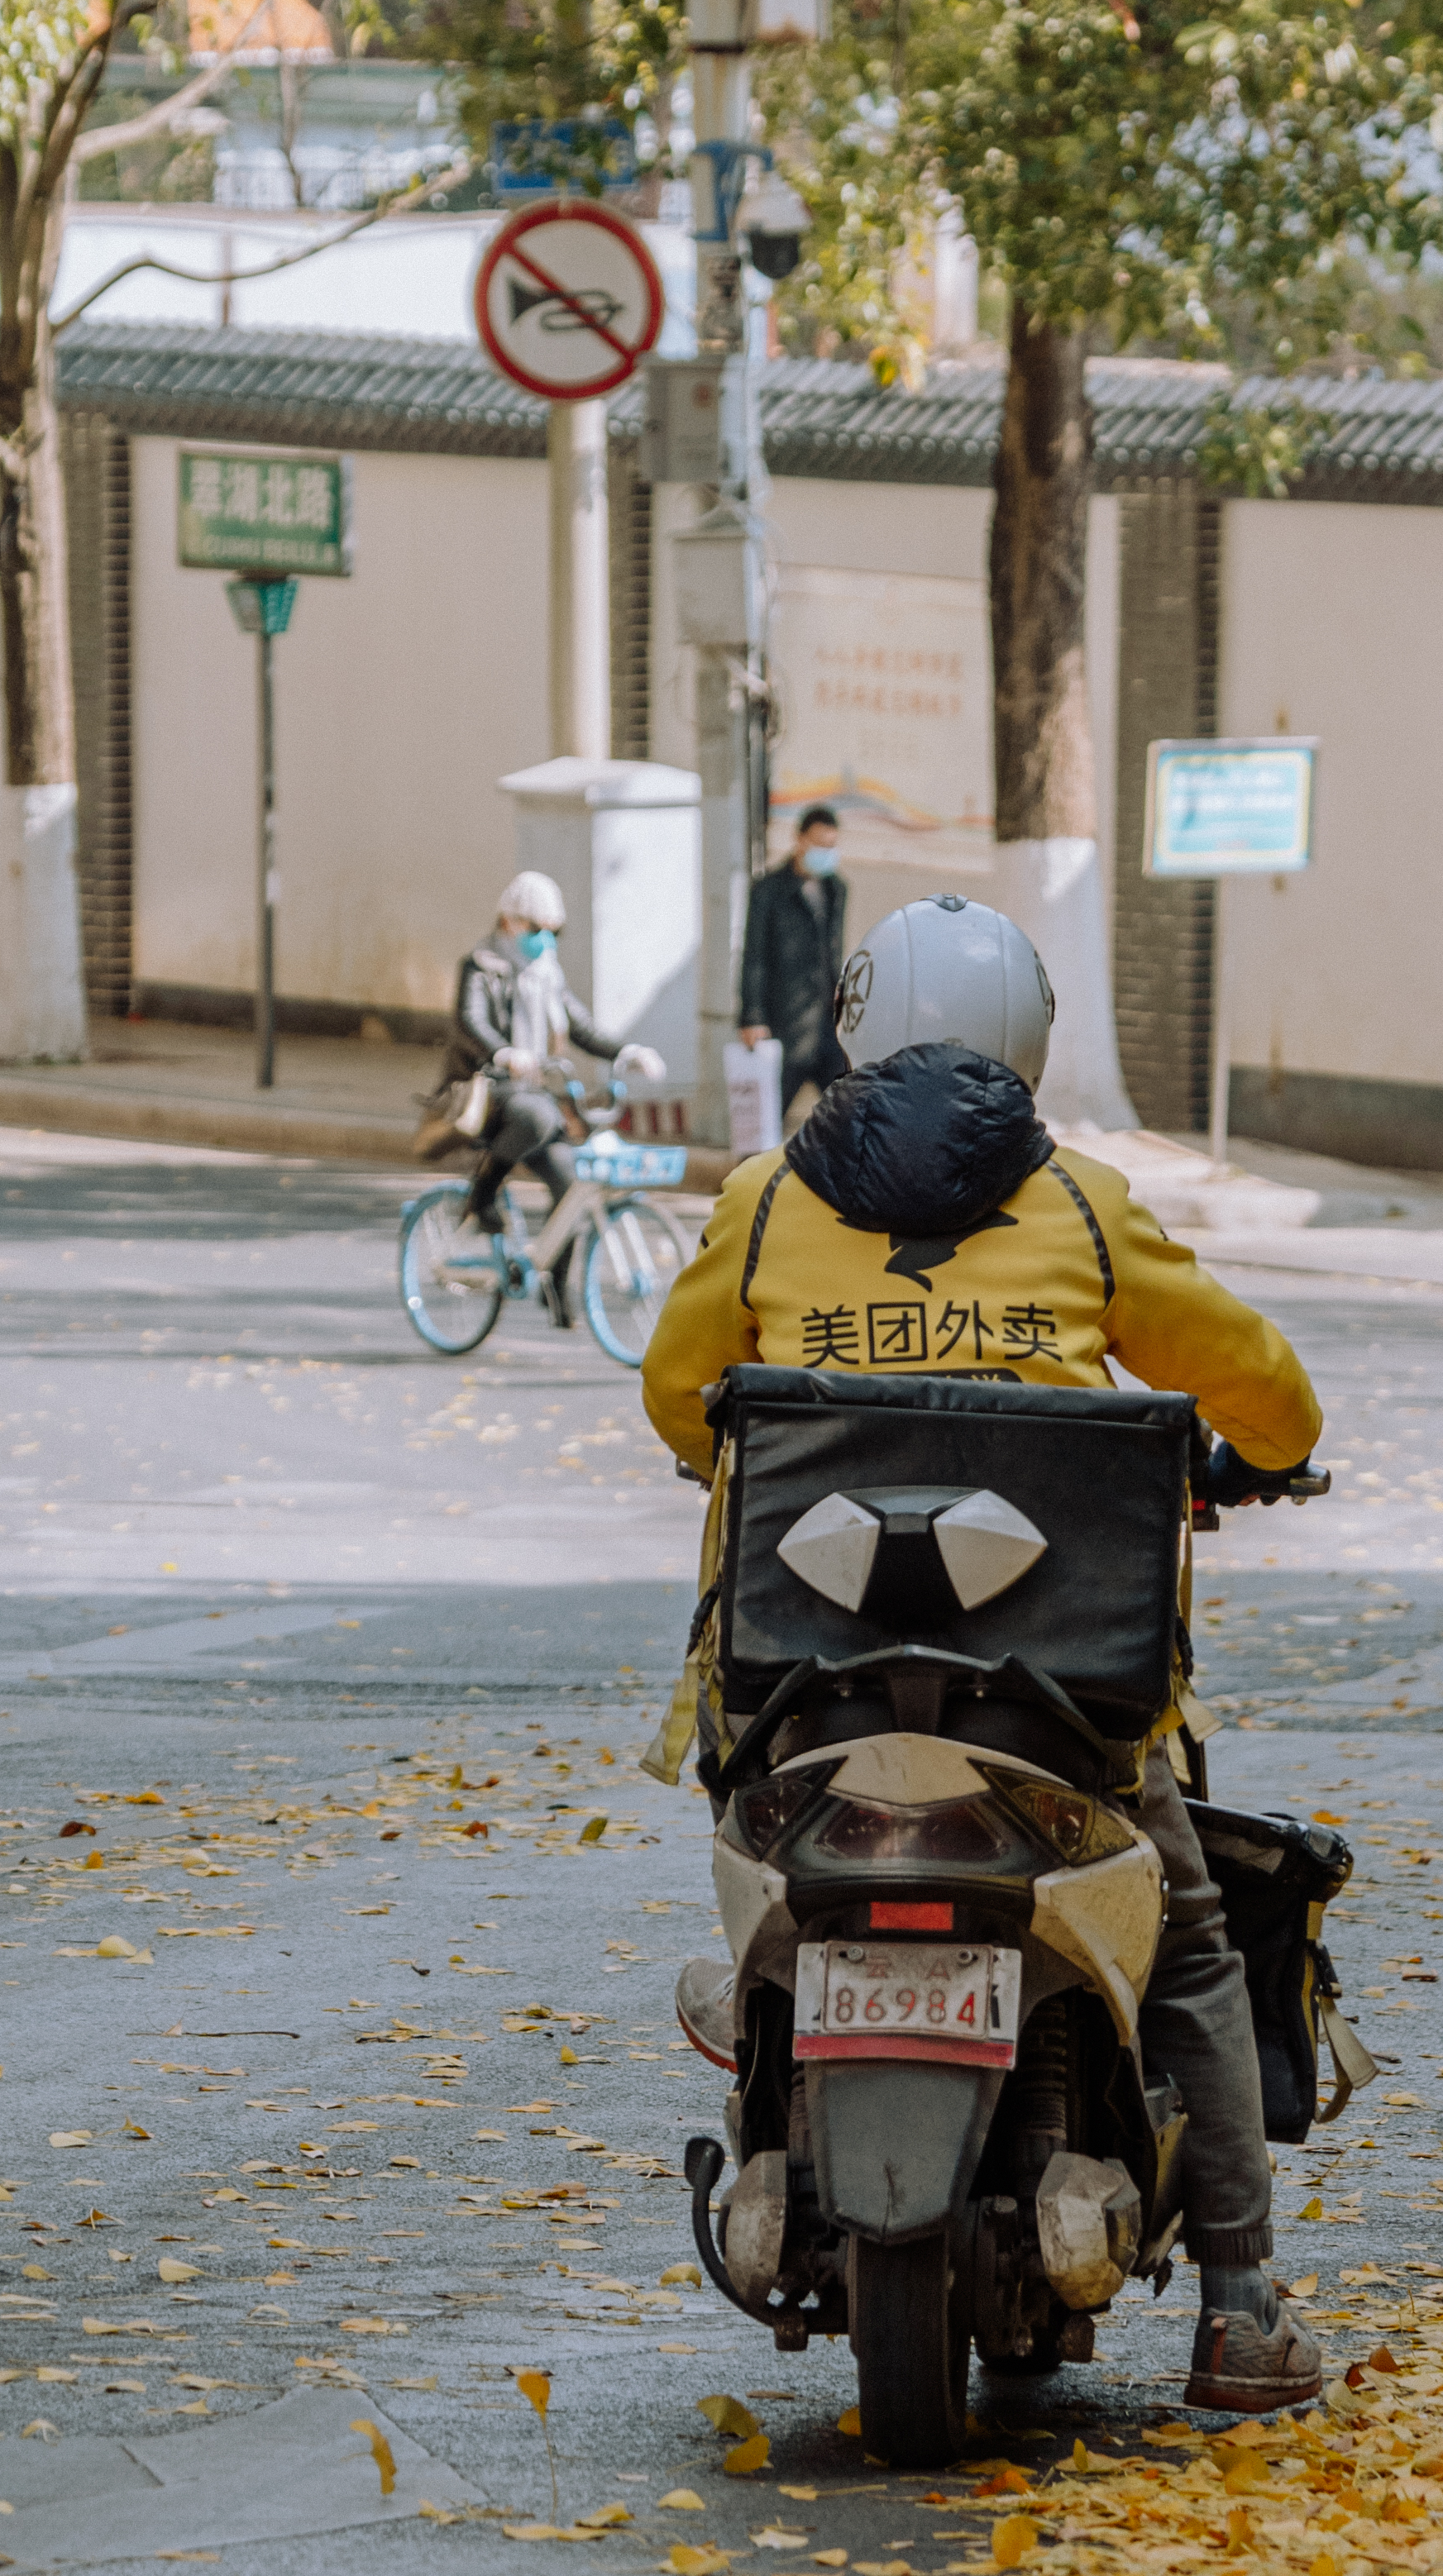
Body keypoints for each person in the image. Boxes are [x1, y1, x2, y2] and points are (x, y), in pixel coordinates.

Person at [642, 890, 1327, 2421]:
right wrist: (1257, 1451)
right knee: (1195, 1939)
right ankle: (1237, 2307)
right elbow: (1268, 1394)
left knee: (760, 1883)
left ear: (850, 1022)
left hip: (796, 1706)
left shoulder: (761, 1200)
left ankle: (770, 2101)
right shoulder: (1081, 1205)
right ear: (1029, 1037)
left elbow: (680, 1400)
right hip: (1058, 1719)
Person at [439, 874, 665, 1305]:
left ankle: (556, 1287)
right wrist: (505, 1053)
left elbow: (580, 1026)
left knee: (572, 1185)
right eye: (536, 928)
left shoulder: (547, 975)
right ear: (509, 921)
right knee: (539, 1113)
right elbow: (471, 1021)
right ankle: (481, 1195)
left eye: (553, 931)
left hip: (533, 1093)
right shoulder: (480, 964)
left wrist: (628, 1052)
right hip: (490, 1089)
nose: (545, 939)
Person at [738, 803, 847, 1121]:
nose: (826, 853)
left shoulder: (836, 889)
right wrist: (751, 1016)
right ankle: (752, 1172)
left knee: (847, 1115)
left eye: (831, 845)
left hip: (827, 1027)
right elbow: (753, 956)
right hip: (783, 1025)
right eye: (819, 844)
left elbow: (834, 953)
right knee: (765, 1121)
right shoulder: (769, 891)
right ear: (799, 840)